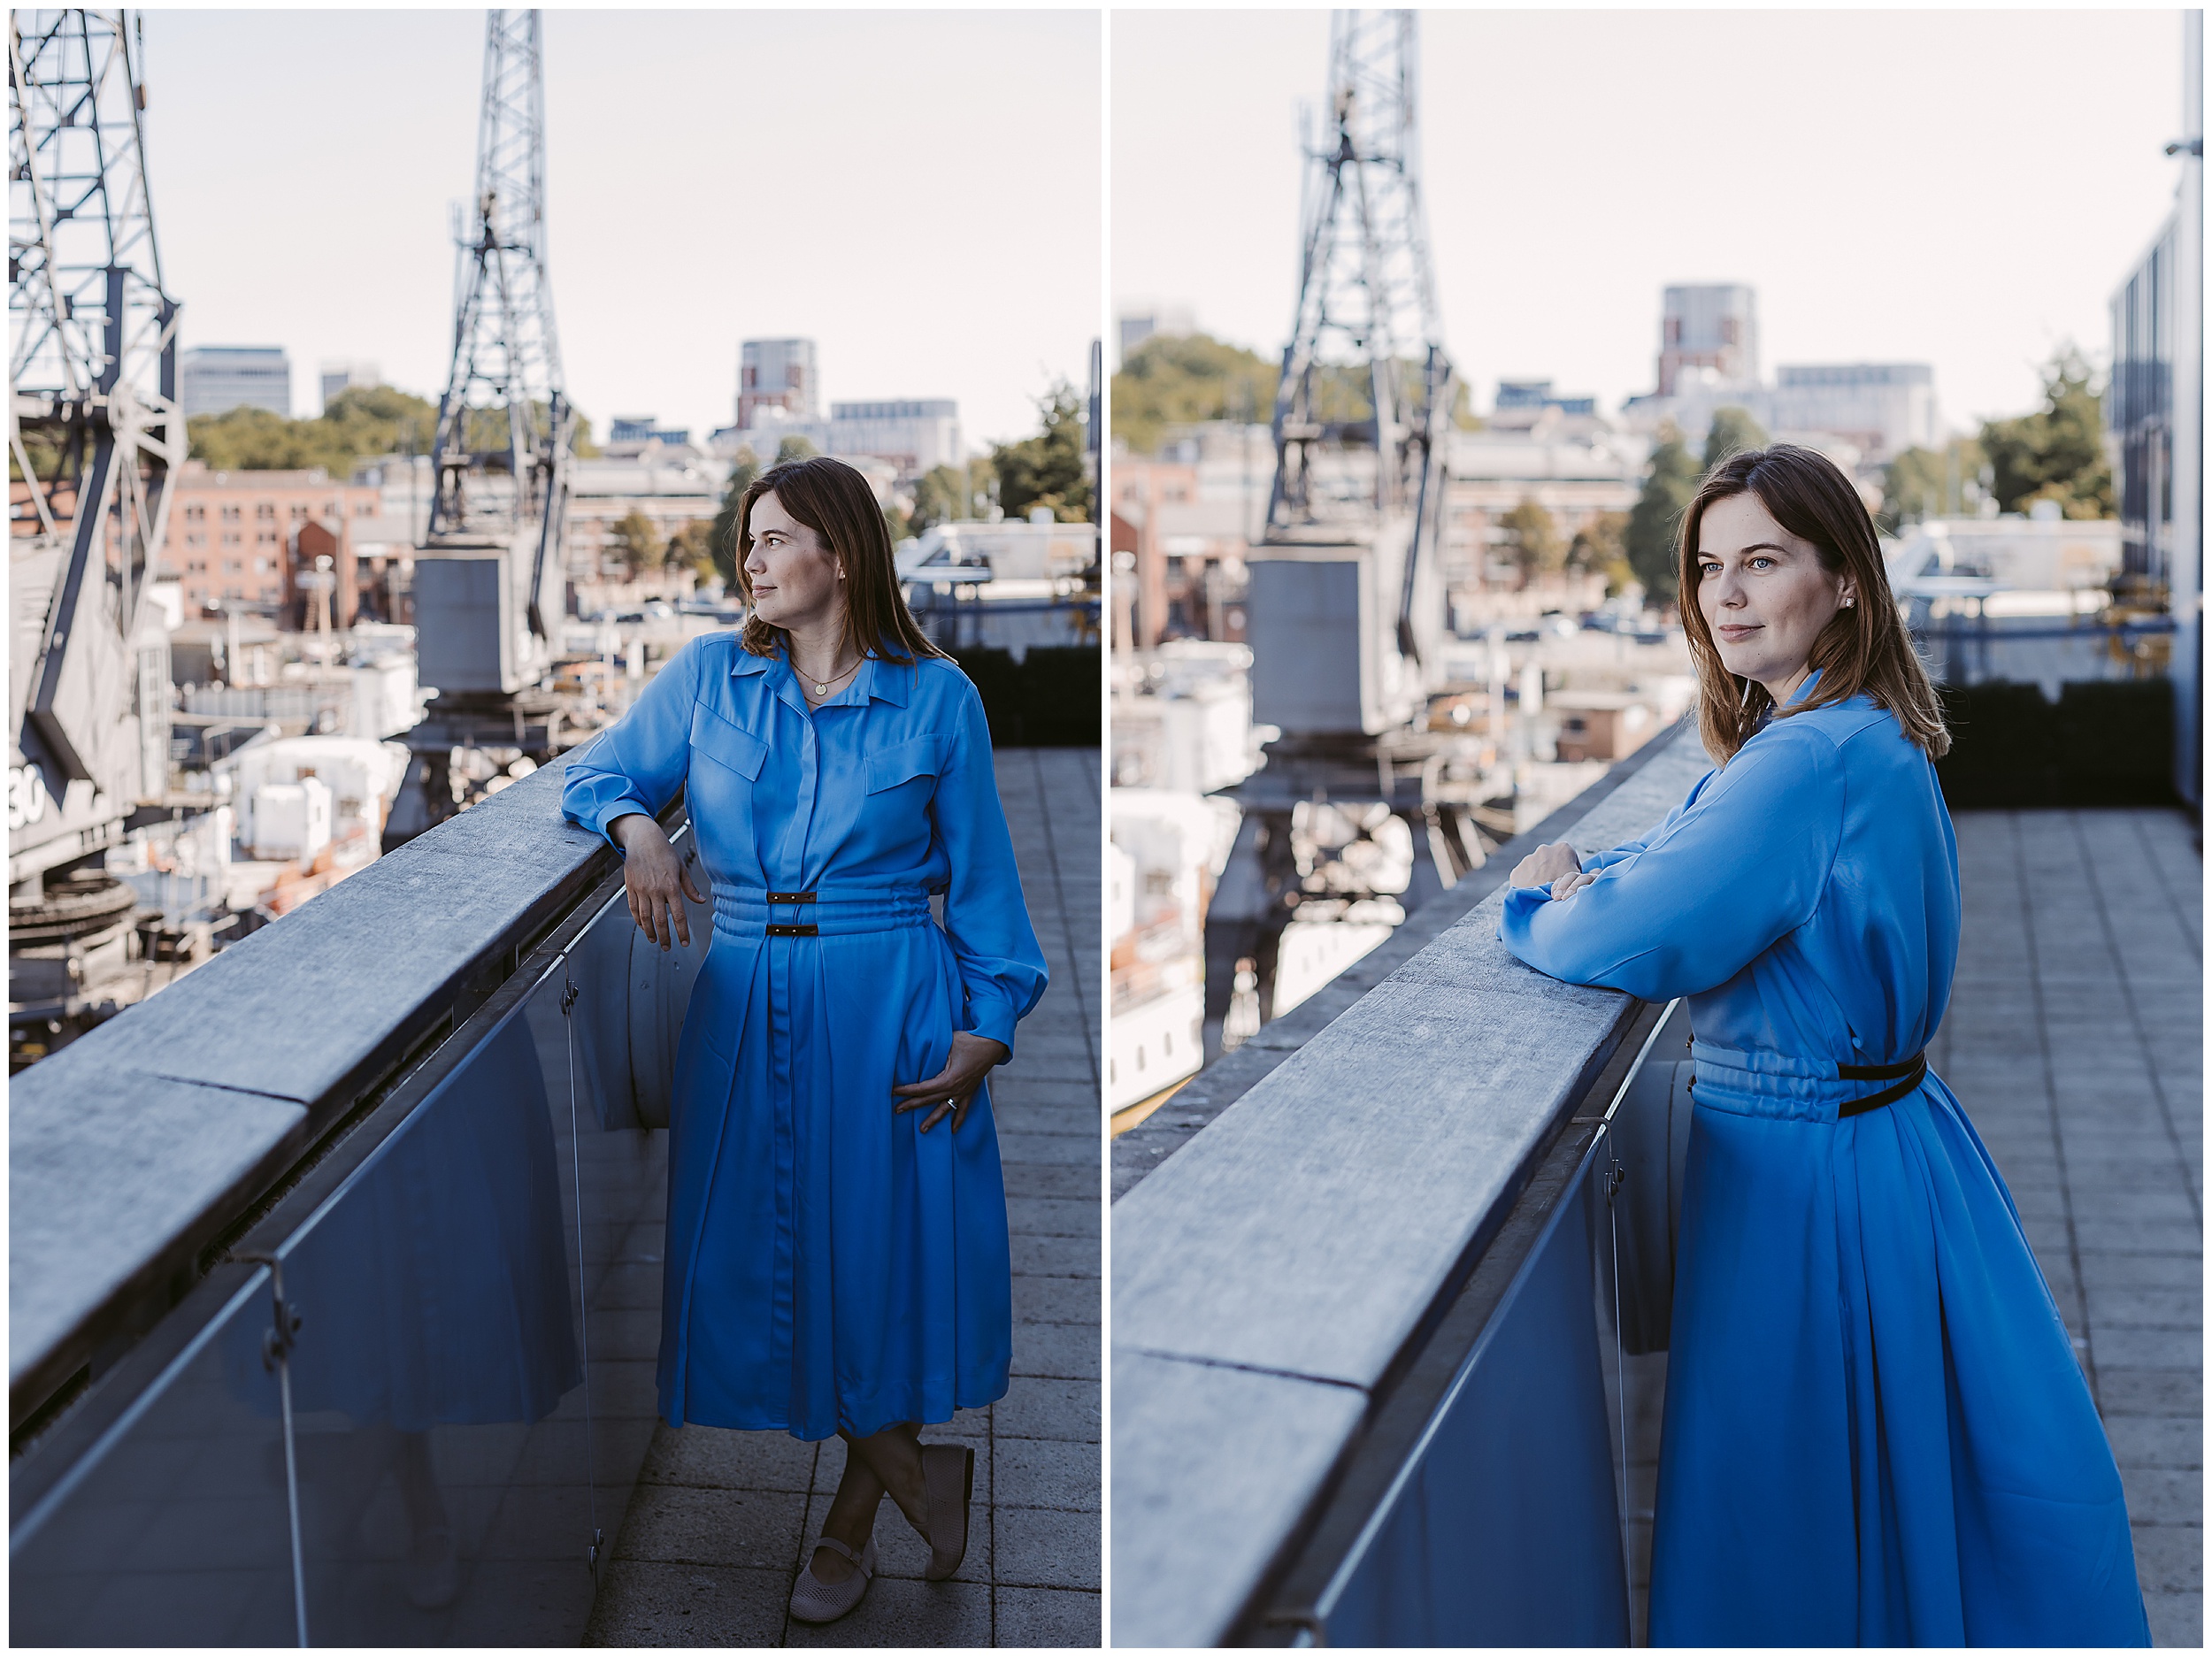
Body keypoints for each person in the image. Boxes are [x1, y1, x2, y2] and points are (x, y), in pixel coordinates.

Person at [1496, 445, 2149, 1646]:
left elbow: (1648, 929)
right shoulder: (1861, 735)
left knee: (1788, 1510)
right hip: (1890, 1143)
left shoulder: (1800, 761)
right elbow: (1700, 866)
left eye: (1762, 561)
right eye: (1707, 567)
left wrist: (1537, 901)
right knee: (1905, 1492)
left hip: (1803, 1178)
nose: (1725, 594)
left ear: (1845, 579)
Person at [560, 456, 1048, 1624]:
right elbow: (596, 767)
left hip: (894, 1006)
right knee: (762, 1260)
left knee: (875, 1264)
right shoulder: (708, 679)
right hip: (741, 1001)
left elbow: (983, 887)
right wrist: (640, 832)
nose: (753, 560)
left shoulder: (940, 701)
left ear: (841, 552)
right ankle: (912, 1469)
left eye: (775, 537)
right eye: (749, 540)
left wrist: (990, 1027)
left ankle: (850, 1521)